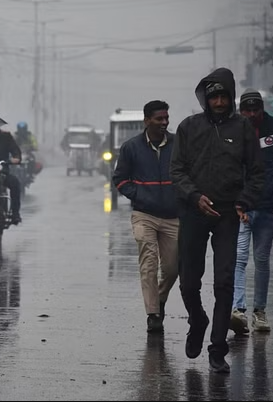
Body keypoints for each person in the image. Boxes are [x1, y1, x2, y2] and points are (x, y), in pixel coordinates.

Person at [170, 67, 264, 374]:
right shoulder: (188, 127)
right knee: (188, 282)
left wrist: (244, 201)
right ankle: (197, 320)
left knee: (224, 282)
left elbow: (257, 172)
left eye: (224, 96)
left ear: (231, 96)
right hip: (194, 211)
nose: (220, 102)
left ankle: (217, 348)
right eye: (214, 97)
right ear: (205, 99)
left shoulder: (243, 129)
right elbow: (177, 170)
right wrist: (195, 196)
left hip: (227, 213)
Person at [229, 89, 273, 335]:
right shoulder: (232, 130)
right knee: (238, 257)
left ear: (261, 109)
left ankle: (260, 312)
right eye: (246, 111)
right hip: (240, 207)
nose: (250, 115)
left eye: (254, 110)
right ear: (240, 111)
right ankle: (238, 310)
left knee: (262, 260)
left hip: (268, 207)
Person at [112, 100, 178, 333]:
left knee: (172, 268)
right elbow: (119, 179)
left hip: (173, 217)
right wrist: (139, 195)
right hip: (144, 215)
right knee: (148, 264)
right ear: (147, 120)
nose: (164, 122)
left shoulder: (178, 145)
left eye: (166, 118)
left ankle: (158, 300)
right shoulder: (131, 147)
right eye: (159, 119)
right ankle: (153, 314)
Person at [0, 128, 23, 225]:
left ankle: (15, 213)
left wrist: (16, 158)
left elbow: (16, 152)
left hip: (2, 173)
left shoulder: (6, 137)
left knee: (15, 183)